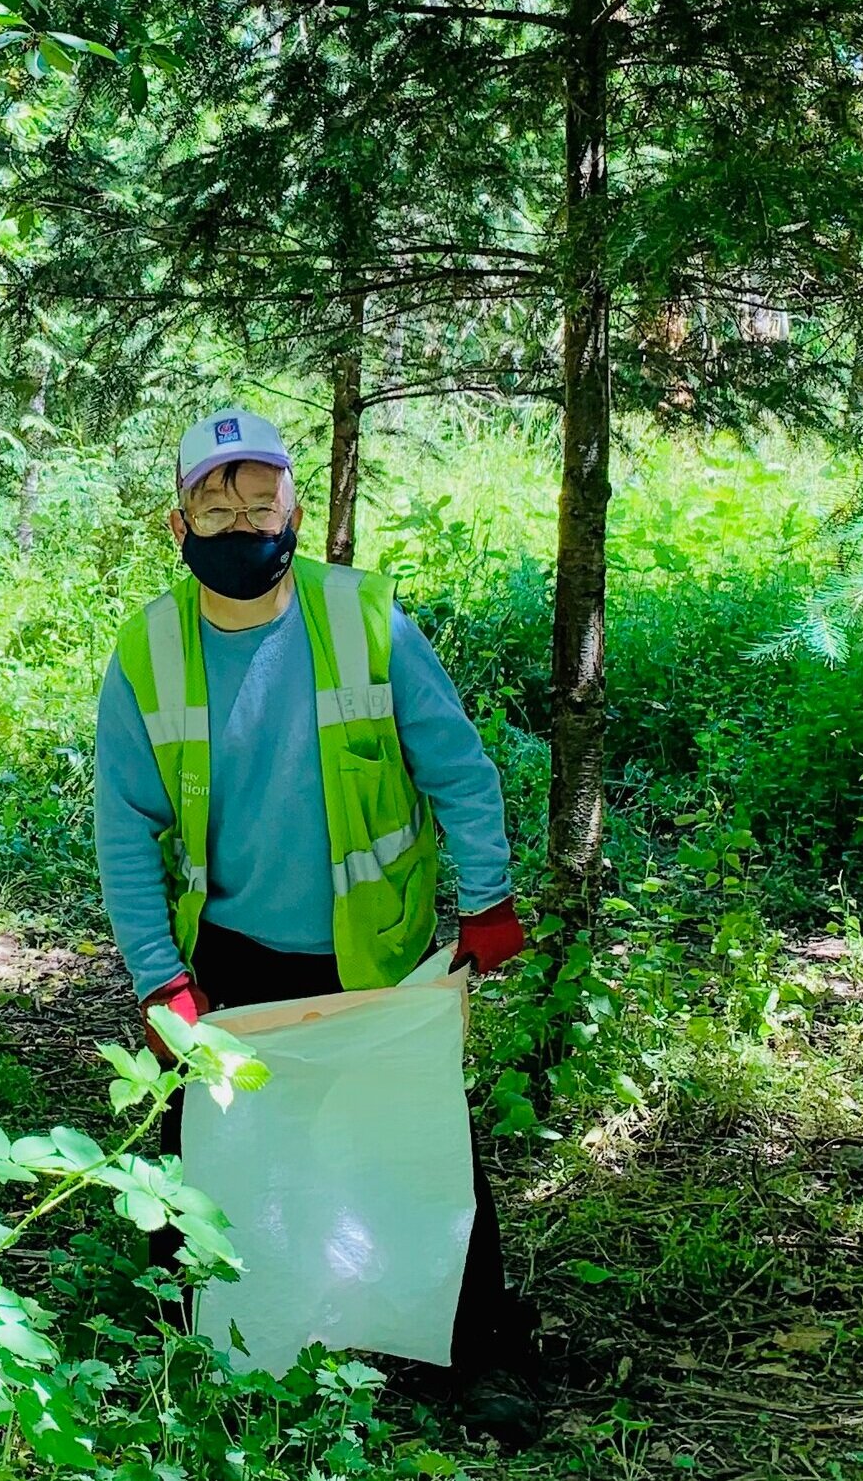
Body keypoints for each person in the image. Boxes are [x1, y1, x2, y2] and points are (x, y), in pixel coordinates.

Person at [93, 406, 537, 1426]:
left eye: (261, 499)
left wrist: (488, 900)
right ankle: (191, 1355)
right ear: (178, 525)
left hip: (375, 955)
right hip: (232, 962)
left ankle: (482, 1355)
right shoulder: (148, 650)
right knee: (197, 1159)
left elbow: (457, 766)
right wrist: (162, 978)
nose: (241, 520)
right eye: (217, 501)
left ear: (298, 512)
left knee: (422, 1148)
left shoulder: (364, 617)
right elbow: (124, 833)